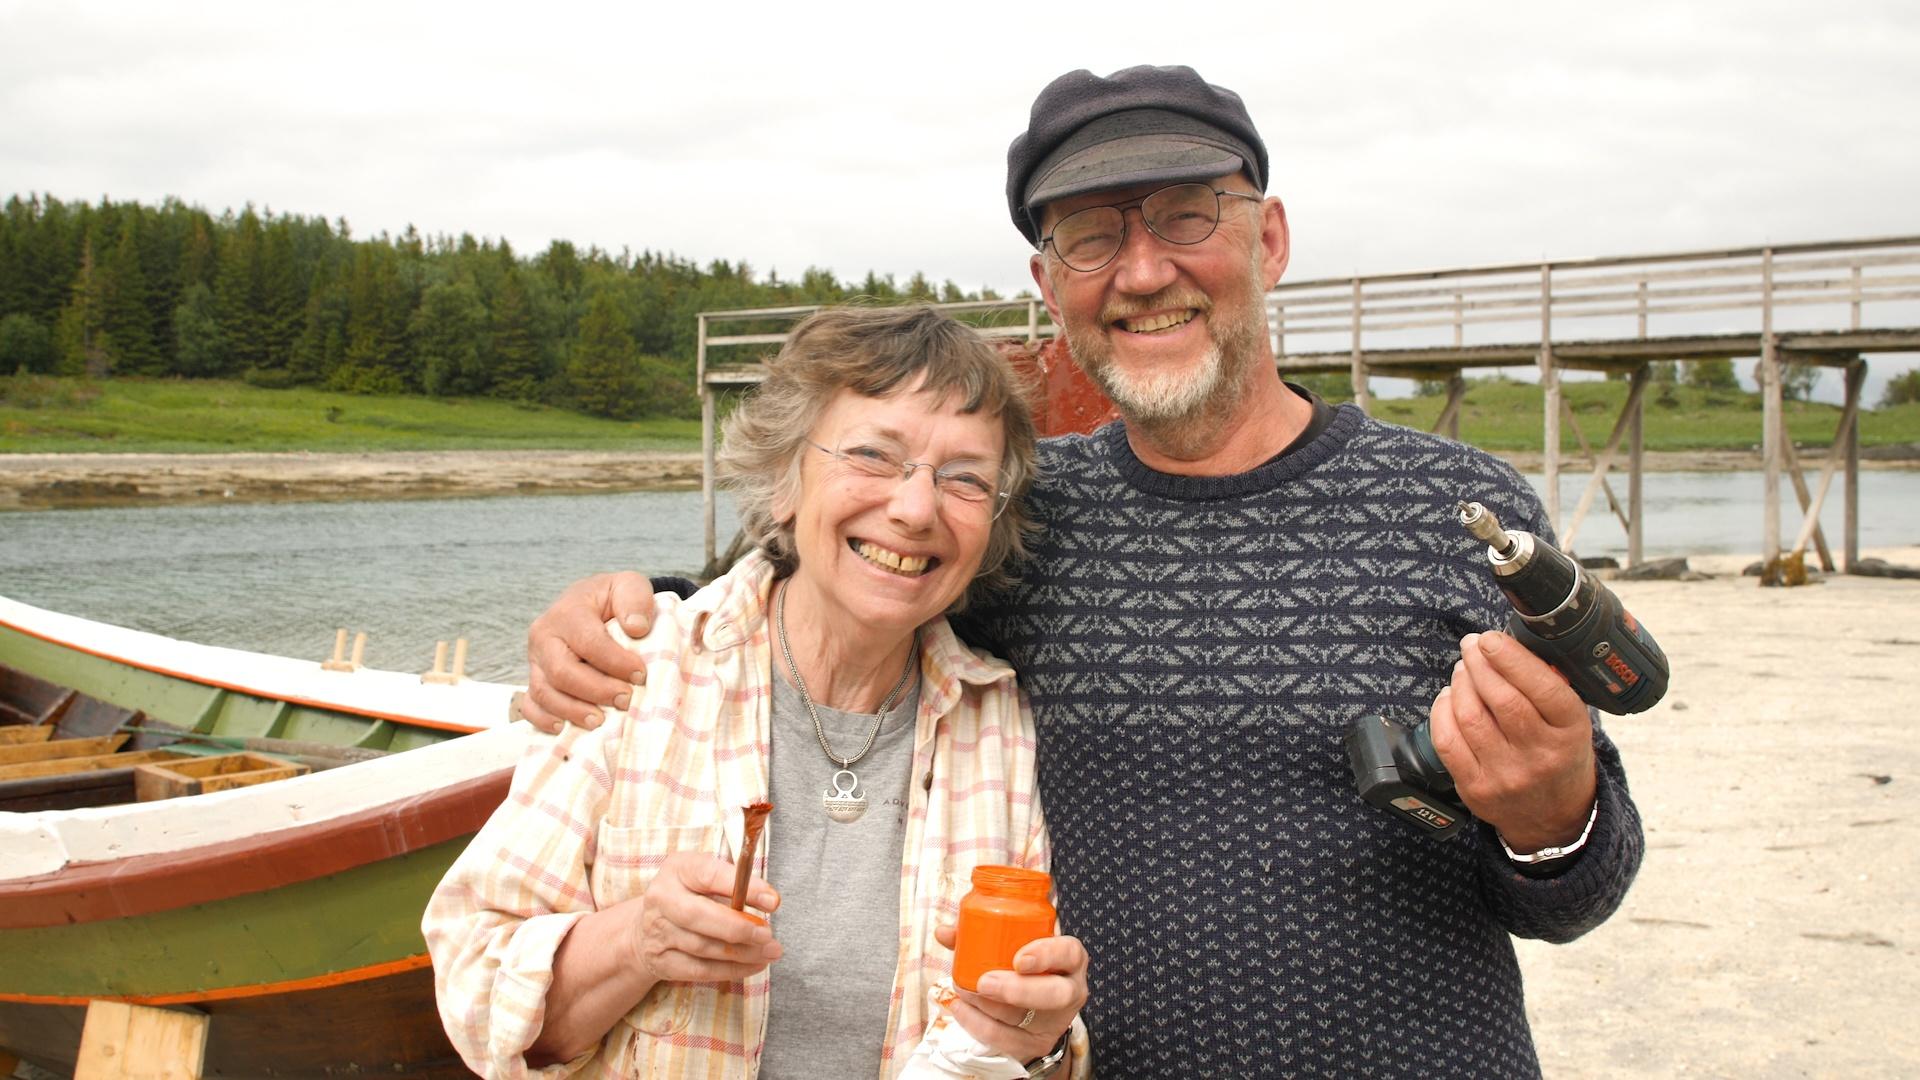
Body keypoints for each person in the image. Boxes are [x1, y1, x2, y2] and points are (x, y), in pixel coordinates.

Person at [520, 66, 1643, 1077]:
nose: (1144, 271)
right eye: (1092, 237)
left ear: (1273, 238)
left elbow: (1577, 892)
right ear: (1048, 284)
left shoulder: (1453, 509)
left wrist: (1551, 816)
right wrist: (617, 609)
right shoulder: (1012, 514)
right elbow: (814, 576)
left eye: (1187, 216)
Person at [425, 305, 1090, 1078]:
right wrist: (638, 940)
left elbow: (1033, 1050)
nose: (915, 509)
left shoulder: (1005, 723)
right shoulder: (639, 670)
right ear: (785, 482)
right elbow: (474, 992)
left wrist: (1036, 1045)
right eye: (873, 456)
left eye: (964, 478)